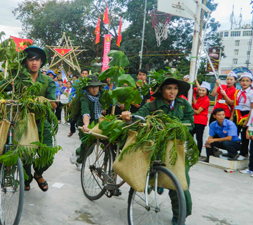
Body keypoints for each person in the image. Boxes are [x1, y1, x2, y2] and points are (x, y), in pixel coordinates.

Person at [0, 46, 57, 192]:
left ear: (41, 62)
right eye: (31, 59)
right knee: (25, 153)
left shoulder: (47, 81)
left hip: (41, 121)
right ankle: (26, 179)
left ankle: (38, 174)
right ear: (25, 62)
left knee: (48, 154)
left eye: (37, 60)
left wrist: (43, 100)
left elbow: (53, 104)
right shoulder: (17, 78)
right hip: (22, 121)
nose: (34, 63)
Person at [121, 77, 193, 225]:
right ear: (161, 90)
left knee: (181, 184)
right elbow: (139, 118)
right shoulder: (153, 105)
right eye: (168, 88)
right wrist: (128, 118)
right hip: (155, 147)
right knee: (145, 175)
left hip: (175, 148)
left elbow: (190, 122)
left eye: (175, 88)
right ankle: (155, 185)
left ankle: (180, 216)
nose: (172, 92)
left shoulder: (183, 104)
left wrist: (179, 127)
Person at [72, 75, 106, 170]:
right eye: (91, 87)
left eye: (96, 86)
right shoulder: (84, 98)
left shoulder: (103, 96)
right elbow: (85, 113)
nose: (94, 89)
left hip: (97, 123)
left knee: (92, 145)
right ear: (87, 88)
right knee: (87, 143)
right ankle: (79, 157)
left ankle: (79, 157)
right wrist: (86, 125)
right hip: (84, 123)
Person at [232, 72, 253, 159]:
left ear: (251, 82)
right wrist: (231, 116)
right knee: (234, 134)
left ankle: (244, 153)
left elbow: (252, 108)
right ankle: (233, 151)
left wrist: (247, 121)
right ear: (239, 82)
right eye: (243, 81)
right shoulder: (238, 92)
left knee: (245, 135)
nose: (244, 83)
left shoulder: (251, 93)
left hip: (247, 114)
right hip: (237, 113)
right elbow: (235, 105)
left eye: (247, 81)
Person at [190, 81, 211, 156]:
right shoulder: (200, 98)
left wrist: (189, 109)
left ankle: (198, 152)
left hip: (201, 121)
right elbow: (196, 104)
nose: (201, 92)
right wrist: (192, 95)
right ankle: (193, 150)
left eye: (203, 90)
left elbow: (198, 111)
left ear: (207, 92)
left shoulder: (206, 100)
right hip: (196, 120)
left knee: (199, 137)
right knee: (190, 134)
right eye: (200, 90)